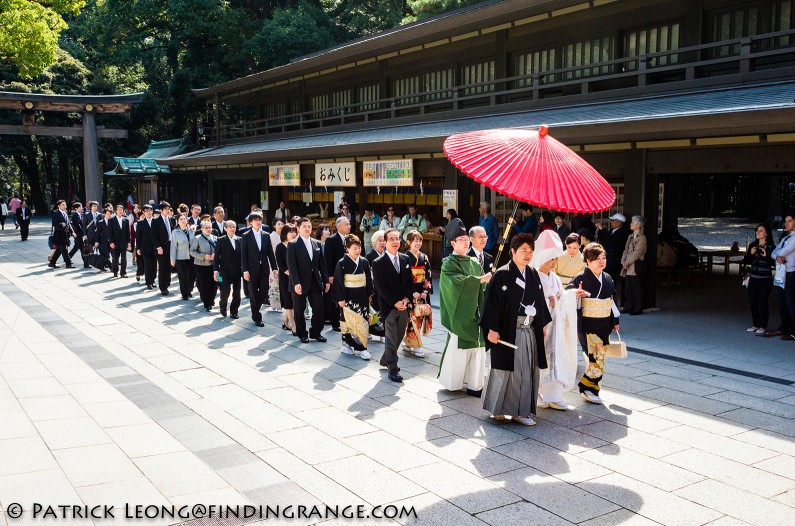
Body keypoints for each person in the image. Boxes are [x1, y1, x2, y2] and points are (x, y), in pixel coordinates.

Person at [480, 232, 552, 425]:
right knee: (504, 370)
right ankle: (498, 409)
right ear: (512, 251)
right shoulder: (502, 274)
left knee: (526, 370)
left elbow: (539, 302)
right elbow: (491, 304)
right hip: (506, 331)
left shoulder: (533, 274)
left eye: (530, 250)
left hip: (529, 330)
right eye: (523, 250)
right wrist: (492, 329)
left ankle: (522, 412)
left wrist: (540, 326)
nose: (527, 254)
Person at [438, 218, 492, 396]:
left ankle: (475, 384)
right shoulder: (449, 263)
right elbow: (456, 285)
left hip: (477, 313)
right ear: (452, 242)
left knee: (478, 350)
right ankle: (453, 383)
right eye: (461, 240)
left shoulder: (475, 262)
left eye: (466, 239)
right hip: (460, 314)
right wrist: (480, 280)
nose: (465, 242)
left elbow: (484, 287)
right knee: (459, 351)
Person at [567, 243, 620, 404]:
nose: (601, 262)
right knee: (596, 355)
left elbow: (612, 301)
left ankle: (591, 388)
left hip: (604, 322)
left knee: (598, 356)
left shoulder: (608, 278)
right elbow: (568, 293)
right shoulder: (580, 278)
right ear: (588, 261)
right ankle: (587, 388)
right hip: (587, 323)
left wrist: (615, 319)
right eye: (596, 259)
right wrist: (575, 294)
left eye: (603, 258)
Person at [532, 230, 578, 411]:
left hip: (556, 326)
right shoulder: (534, 277)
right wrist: (546, 302)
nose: (554, 262)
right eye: (551, 258)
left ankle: (554, 395)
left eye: (555, 259)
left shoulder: (555, 278)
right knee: (538, 359)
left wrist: (573, 294)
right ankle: (535, 393)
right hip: (541, 325)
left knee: (556, 358)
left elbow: (562, 296)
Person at [372, 228, 414, 382]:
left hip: (403, 304)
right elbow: (380, 287)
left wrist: (406, 299)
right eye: (392, 239)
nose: (396, 242)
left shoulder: (405, 259)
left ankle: (385, 358)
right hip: (388, 306)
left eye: (398, 239)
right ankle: (393, 368)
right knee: (390, 337)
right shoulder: (378, 263)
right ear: (385, 242)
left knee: (399, 335)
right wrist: (394, 302)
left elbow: (410, 282)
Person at [287, 217, 330, 342]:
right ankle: (302, 333)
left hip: (315, 281)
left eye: (309, 226)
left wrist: (326, 280)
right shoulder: (293, 244)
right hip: (299, 282)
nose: (307, 228)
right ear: (299, 228)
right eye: (304, 226)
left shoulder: (317, 243)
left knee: (318, 308)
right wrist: (296, 283)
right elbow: (292, 266)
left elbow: (322, 264)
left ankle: (316, 332)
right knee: (299, 309)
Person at [332, 235, 374, 360]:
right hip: (348, 297)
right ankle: (347, 345)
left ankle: (363, 348)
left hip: (361, 296)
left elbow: (368, 279)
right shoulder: (342, 263)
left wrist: (369, 293)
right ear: (347, 249)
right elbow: (339, 281)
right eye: (354, 248)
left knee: (362, 322)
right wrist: (340, 298)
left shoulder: (364, 261)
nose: (357, 250)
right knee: (347, 322)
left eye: (359, 248)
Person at [241, 211, 278, 327]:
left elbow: (270, 254)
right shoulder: (246, 236)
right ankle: (257, 317)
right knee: (253, 292)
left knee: (263, 291)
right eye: (255, 220)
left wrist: (275, 268)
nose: (258, 222)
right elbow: (244, 255)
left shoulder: (266, 235)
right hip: (251, 269)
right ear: (251, 222)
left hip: (264, 268)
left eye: (259, 220)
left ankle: (255, 309)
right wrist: (245, 270)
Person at [402, 230, 433, 358]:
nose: (418, 243)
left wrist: (425, 291)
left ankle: (410, 343)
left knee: (419, 318)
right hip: (410, 294)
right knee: (411, 320)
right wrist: (411, 292)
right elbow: (403, 278)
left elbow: (428, 275)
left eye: (420, 240)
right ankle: (416, 346)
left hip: (422, 293)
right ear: (408, 242)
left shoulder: (424, 257)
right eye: (416, 241)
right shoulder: (404, 257)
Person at [768, 215, 795, 340]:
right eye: (786, 221)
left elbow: (782, 252)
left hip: (791, 273)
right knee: (782, 302)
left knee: (791, 302)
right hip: (782, 273)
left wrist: (778, 255)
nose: (787, 223)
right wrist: (777, 256)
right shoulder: (786, 237)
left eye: (790, 221)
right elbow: (774, 252)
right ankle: (784, 327)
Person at [744, 224, 775, 334]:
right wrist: (751, 254)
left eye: (761, 231)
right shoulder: (753, 245)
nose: (758, 232)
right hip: (753, 278)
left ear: (766, 233)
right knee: (753, 302)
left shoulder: (771, 246)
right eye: (757, 231)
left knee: (763, 302)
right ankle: (755, 324)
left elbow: (774, 263)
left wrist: (766, 255)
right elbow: (746, 261)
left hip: (765, 278)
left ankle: (763, 325)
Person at [325, 217, 350, 332]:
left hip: (349, 274)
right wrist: (330, 275)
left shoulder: (350, 239)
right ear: (339, 227)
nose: (349, 226)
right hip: (336, 273)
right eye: (346, 224)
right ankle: (335, 322)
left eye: (349, 224)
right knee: (336, 298)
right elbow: (328, 259)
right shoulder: (331, 240)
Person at [214, 220, 242, 319]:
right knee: (225, 290)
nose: (232, 228)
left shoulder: (240, 240)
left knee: (237, 293)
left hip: (237, 270)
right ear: (225, 228)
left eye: (234, 226)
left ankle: (234, 311)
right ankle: (223, 306)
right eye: (230, 226)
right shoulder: (221, 240)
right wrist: (215, 271)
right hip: (225, 271)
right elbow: (217, 256)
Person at [620, 215, 647, 315]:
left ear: (638, 225)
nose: (630, 224)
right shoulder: (630, 236)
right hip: (628, 265)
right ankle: (628, 306)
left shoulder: (642, 238)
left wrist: (627, 262)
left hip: (635, 265)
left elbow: (638, 253)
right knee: (628, 288)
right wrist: (623, 261)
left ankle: (637, 308)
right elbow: (625, 249)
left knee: (636, 288)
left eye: (632, 222)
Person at [190, 221, 217, 312]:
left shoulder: (215, 238)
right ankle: (207, 303)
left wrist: (215, 254)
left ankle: (212, 299)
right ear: (201, 229)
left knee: (214, 283)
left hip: (213, 265)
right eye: (206, 228)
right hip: (201, 265)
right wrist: (203, 256)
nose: (208, 229)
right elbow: (192, 251)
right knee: (205, 284)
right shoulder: (197, 238)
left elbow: (219, 249)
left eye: (210, 227)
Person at [276, 224, 298, 333]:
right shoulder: (280, 246)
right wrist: (289, 272)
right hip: (285, 277)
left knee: (294, 302)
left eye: (295, 232)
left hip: (296, 278)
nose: (294, 234)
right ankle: (293, 326)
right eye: (291, 232)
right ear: (285, 233)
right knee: (288, 301)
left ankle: (286, 322)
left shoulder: (296, 245)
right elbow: (280, 263)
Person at [152, 202, 174, 295]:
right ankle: (162, 287)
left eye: (169, 209)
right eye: (166, 209)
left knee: (169, 266)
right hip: (161, 247)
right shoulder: (156, 221)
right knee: (162, 266)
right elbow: (154, 236)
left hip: (171, 245)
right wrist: (158, 247)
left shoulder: (171, 220)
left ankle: (167, 283)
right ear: (161, 210)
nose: (168, 211)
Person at [170, 214, 194, 300]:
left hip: (192, 256)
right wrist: (173, 259)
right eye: (181, 219)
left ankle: (189, 290)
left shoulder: (191, 229)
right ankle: (184, 293)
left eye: (185, 219)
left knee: (192, 275)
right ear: (178, 221)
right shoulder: (175, 232)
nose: (183, 220)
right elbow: (173, 246)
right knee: (183, 276)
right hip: (181, 257)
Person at [49, 200, 75, 269]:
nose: (64, 206)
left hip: (65, 235)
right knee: (64, 249)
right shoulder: (56, 213)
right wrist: (63, 227)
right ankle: (68, 264)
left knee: (59, 250)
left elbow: (68, 224)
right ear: (58, 206)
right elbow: (55, 224)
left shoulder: (65, 213)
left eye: (65, 205)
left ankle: (52, 263)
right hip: (59, 235)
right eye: (63, 205)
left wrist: (72, 232)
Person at [136, 204, 157, 289]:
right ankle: (148, 282)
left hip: (155, 247)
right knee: (148, 265)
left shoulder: (156, 221)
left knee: (154, 265)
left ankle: (153, 280)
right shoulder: (140, 223)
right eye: (147, 211)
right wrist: (138, 248)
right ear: (144, 213)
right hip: (145, 247)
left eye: (150, 211)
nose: (149, 212)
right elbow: (138, 236)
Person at [109, 204, 130, 278]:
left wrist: (128, 242)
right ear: (116, 211)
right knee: (115, 258)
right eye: (119, 210)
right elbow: (110, 232)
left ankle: (123, 272)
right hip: (115, 242)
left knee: (124, 258)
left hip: (124, 242)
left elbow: (128, 232)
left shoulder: (126, 220)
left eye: (122, 210)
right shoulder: (111, 220)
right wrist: (111, 242)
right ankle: (115, 271)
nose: (120, 211)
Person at [68, 202, 87, 267]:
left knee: (76, 247)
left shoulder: (79, 215)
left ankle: (68, 257)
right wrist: (83, 233)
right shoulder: (75, 216)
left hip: (79, 234)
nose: (82, 208)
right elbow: (78, 226)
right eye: (80, 207)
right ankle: (86, 263)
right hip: (78, 234)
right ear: (76, 208)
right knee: (82, 248)